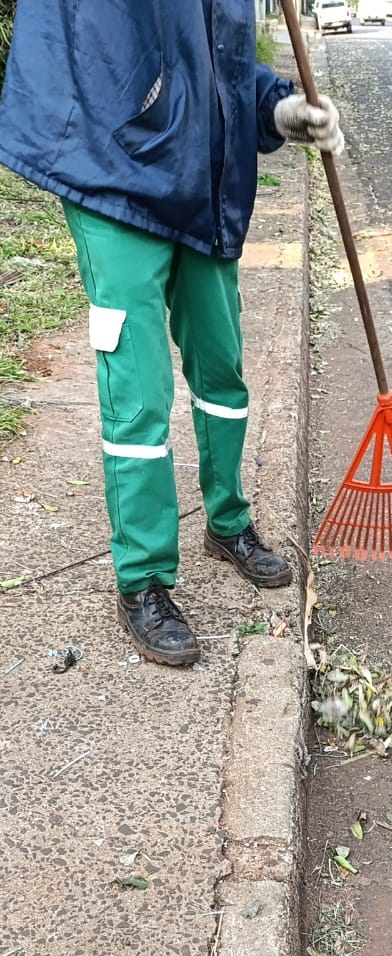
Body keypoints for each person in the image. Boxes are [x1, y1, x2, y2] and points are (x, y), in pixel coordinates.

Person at [0, 1, 343, 666]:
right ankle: (144, 579)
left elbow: (213, 50)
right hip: (112, 176)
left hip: (205, 182)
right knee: (139, 392)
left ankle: (228, 523)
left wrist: (274, 106)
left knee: (222, 368)